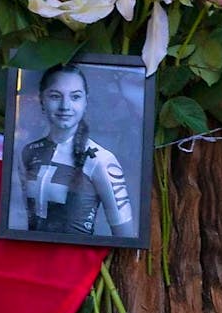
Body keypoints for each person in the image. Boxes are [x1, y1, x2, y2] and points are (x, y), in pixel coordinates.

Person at [18, 64, 135, 237]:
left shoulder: (101, 160)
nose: (65, 106)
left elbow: (126, 238)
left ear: (85, 101)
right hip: (29, 258)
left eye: (75, 97)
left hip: (76, 261)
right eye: (55, 96)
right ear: (41, 100)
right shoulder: (29, 151)